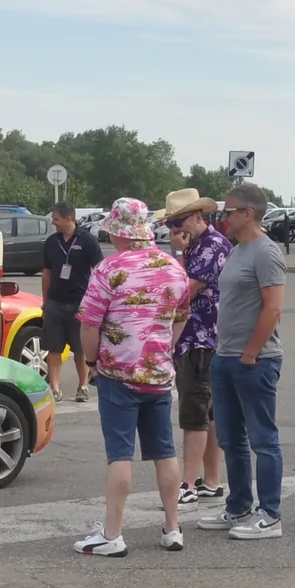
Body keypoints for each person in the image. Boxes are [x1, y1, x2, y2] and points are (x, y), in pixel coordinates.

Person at [73, 197, 194, 557]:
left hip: (118, 373)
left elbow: (89, 325)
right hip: (158, 374)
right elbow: (181, 316)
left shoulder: (109, 269)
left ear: (120, 232)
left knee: (120, 455)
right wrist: (162, 349)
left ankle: (113, 534)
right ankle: (172, 527)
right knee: (164, 451)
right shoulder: (173, 267)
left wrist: (93, 362)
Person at [201, 181, 286, 540]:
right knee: (230, 438)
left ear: (247, 213)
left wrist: (251, 352)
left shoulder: (266, 253)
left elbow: (274, 307)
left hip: (255, 360)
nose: (223, 217)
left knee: (262, 439)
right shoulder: (237, 250)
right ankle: (238, 507)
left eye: (228, 211)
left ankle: (270, 514)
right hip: (225, 357)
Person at [161, 188, 228, 505]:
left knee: (194, 413)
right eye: (171, 224)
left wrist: (177, 255)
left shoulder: (211, 246)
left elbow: (183, 290)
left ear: (199, 217)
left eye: (179, 221)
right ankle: (212, 480)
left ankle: (187, 483)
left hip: (200, 337)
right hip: (197, 338)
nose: (175, 230)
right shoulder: (199, 246)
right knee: (209, 413)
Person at [38, 202, 101, 401]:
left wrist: (94, 301)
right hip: (55, 302)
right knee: (53, 347)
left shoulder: (87, 241)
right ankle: (55, 389)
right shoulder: (51, 242)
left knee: (79, 348)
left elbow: (99, 271)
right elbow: (46, 273)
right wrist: (45, 301)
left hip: (79, 303)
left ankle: (83, 386)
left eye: (56, 219)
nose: (53, 222)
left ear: (69, 219)